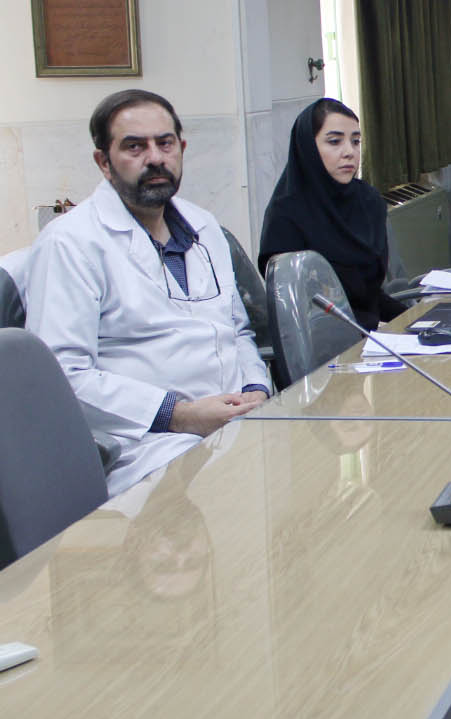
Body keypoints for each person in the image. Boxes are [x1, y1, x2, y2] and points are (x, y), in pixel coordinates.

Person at [27, 90, 271, 496]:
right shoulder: (71, 243)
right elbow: (62, 375)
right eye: (134, 147)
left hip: (238, 427)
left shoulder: (204, 226)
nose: (155, 158)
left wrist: (256, 390)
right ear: (103, 162)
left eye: (165, 143)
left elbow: (237, 331)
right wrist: (180, 415)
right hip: (148, 447)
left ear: (182, 149)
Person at [258, 98, 404, 329]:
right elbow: (299, 313)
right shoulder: (286, 216)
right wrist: (376, 329)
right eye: (335, 141)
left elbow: (370, 295)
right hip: (321, 342)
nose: (349, 152)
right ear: (308, 148)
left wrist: (417, 320)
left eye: (355, 141)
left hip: (374, 333)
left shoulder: (368, 201)